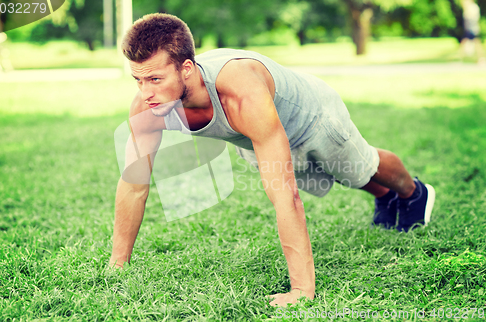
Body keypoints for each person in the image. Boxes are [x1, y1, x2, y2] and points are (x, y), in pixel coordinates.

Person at [108, 13, 436, 307]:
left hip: (311, 116)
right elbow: (134, 185)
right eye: (138, 79)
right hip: (256, 133)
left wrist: (301, 290)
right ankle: (385, 198)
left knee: (357, 167)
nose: (145, 92)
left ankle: (413, 193)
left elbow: (284, 194)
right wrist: (117, 264)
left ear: (187, 69)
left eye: (155, 80)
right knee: (330, 176)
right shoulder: (146, 107)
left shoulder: (239, 93)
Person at [460, 0, 485, 64]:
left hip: (472, 29)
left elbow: (472, 19)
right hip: (470, 29)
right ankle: (459, 58)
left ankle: (481, 58)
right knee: (474, 43)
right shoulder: (469, 7)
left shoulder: (472, 7)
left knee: (475, 43)